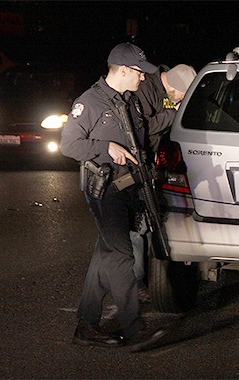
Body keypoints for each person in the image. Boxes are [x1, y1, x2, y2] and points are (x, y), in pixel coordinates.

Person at [60, 42, 167, 351]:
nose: (144, 78)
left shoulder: (128, 101)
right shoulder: (90, 102)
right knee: (121, 256)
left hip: (128, 186)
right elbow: (69, 145)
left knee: (105, 254)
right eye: (139, 73)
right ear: (122, 70)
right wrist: (105, 148)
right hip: (104, 190)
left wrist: (179, 114)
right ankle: (135, 328)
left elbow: (143, 131)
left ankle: (87, 326)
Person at [130, 63, 197, 300]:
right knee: (137, 230)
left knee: (151, 227)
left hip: (155, 167)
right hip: (136, 167)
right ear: (175, 87)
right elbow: (143, 129)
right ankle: (136, 284)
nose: (180, 100)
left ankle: (147, 281)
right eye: (181, 95)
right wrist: (173, 114)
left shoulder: (164, 88)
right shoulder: (145, 89)